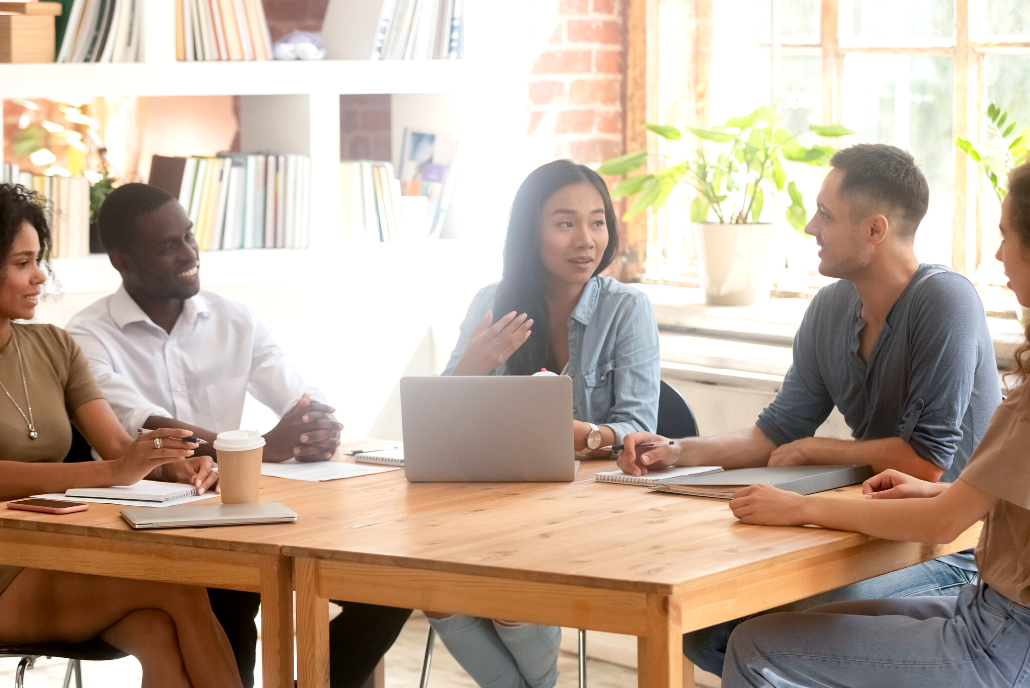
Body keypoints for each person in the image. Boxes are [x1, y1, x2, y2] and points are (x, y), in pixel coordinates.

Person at [618, 144, 1003, 676]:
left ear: (875, 230)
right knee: (706, 631)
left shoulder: (946, 301)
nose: (809, 227)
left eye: (824, 214)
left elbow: (923, 465)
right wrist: (677, 451)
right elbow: (773, 432)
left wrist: (818, 448)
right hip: (861, 535)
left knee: (758, 629)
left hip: (946, 551)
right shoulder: (830, 308)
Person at [64, 183, 410, 688]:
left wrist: (316, 426)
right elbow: (147, 427)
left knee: (390, 581)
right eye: (168, 246)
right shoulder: (87, 335)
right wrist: (265, 445)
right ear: (123, 261)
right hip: (149, 525)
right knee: (231, 594)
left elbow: (300, 398)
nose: (189, 255)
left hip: (241, 510)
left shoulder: (235, 319)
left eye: (189, 237)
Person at [719, 160, 1030, 688]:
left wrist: (801, 507)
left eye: (1004, 235)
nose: (997, 253)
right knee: (749, 629)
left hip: (1002, 637)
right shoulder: (830, 309)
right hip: (988, 611)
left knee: (754, 644)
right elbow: (993, 498)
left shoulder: (946, 301)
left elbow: (943, 526)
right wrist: (941, 492)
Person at [428, 159, 661, 688]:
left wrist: (573, 430)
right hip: (499, 498)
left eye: (598, 221)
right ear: (529, 231)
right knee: (433, 593)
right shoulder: (492, 303)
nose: (587, 239)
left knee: (510, 594)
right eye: (565, 223)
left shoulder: (627, 308)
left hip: (589, 507)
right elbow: (436, 418)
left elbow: (638, 428)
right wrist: (473, 364)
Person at [0, 182, 243, 688]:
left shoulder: (53, 345)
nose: (39, 275)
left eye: (38, 260)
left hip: (49, 552)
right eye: (22, 263)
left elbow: (117, 445)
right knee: (180, 588)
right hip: (7, 569)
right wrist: (116, 471)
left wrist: (176, 462)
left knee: (157, 632)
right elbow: (112, 465)